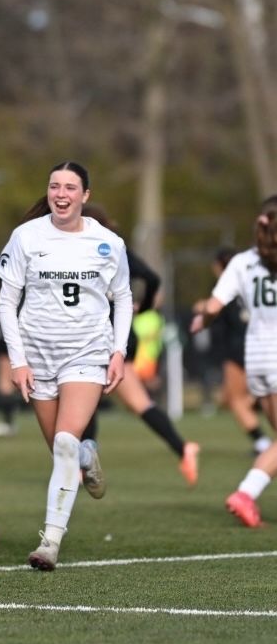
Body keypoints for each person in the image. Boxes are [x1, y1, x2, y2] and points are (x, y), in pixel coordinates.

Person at [0, 161, 132, 571]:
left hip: (87, 351)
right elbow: (6, 300)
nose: (61, 193)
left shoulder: (109, 243)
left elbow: (122, 297)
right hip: (38, 354)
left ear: (85, 196)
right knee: (62, 450)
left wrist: (119, 351)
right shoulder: (26, 237)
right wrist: (17, 362)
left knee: (63, 443)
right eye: (54, 185)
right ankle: (87, 457)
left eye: (70, 187)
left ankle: (50, 543)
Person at [81, 204, 200, 487]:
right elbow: (152, 278)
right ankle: (182, 449)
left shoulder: (102, 246)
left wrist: (140, 308)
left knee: (99, 397)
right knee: (107, 400)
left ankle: (82, 465)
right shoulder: (112, 246)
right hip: (114, 333)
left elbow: (151, 278)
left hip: (103, 334)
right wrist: (141, 307)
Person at [191, 197, 277, 527]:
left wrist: (202, 321)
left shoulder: (242, 262)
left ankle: (247, 494)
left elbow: (212, 307)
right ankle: (245, 494)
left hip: (256, 359)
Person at [192, 247, 271, 456]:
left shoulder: (231, 281)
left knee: (235, 399)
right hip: (260, 346)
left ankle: (262, 443)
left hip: (239, 347)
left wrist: (203, 313)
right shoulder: (256, 277)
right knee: (235, 397)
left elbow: (212, 306)